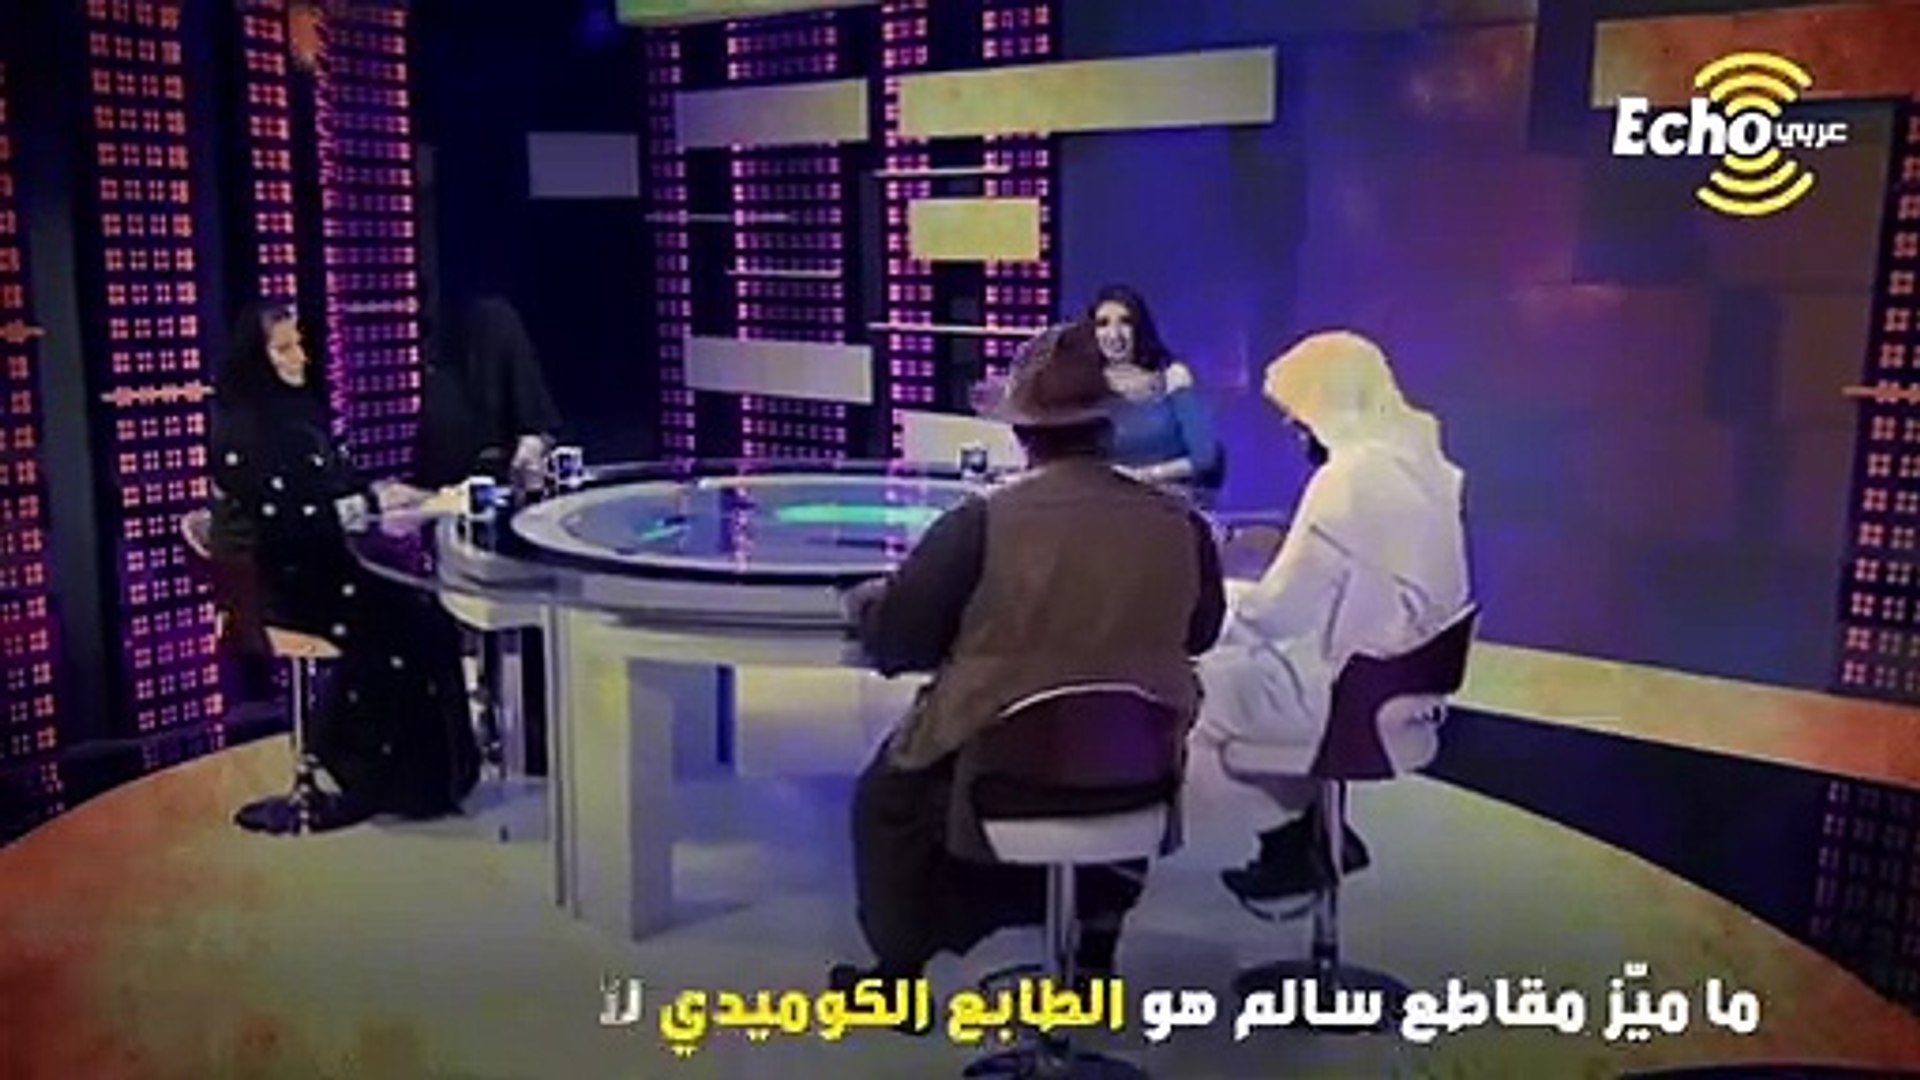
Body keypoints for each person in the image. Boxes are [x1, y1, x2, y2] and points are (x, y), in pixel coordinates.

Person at [832, 320, 1227, 1002]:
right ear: (1107, 430)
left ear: (1022, 434)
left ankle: (898, 979)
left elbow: (900, 643)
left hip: (999, 770)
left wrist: (871, 606)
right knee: (1112, 741)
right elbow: (1202, 633)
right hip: (1139, 767)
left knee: (886, 802)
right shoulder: (1183, 524)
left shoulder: (980, 523)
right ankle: (1092, 954)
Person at [1192, 331, 1471, 901]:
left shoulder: (1348, 478)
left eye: (1298, 413)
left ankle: (1118, 864)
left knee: (1187, 691)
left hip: (1349, 701)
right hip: (1408, 694)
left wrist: (1215, 606)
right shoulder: (1430, 471)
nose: (1293, 427)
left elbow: (1277, 615)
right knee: (1234, 665)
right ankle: (1312, 832)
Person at [208, 301, 481, 833]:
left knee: (424, 610)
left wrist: (386, 494)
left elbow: (327, 487)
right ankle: (367, 775)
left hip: (317, 566)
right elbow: (290, 522)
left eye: (299, 345)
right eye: (283, 349)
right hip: (279, 584)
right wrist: (375, 505)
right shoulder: (243, 429)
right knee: (399, 621)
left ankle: (421, 781)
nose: (300, 358)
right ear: (256, 357)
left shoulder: (296, 413)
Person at [1086, 284, 1225, 503]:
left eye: (1126, 322)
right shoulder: (1084, 385)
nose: (1114, 334)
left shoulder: (1173, 376)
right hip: (1103, 503)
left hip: (1168, 501)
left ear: (1140, 328)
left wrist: (1144, 477)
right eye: (1103, 324)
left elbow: (1205, 457)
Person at [413, 295, 562, 490]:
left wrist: (532, 446)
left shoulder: (491, 323)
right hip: (408, 494)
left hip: (483, 493)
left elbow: (538, 429)